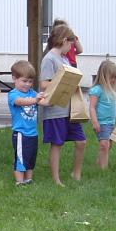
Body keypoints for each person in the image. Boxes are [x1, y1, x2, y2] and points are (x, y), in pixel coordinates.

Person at [40, 20, 85, 186]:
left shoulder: (65, 59)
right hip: (55, 109)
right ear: (64, 40)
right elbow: (44, 83)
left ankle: (76, 173)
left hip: (69, 109)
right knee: (57, 143)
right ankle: (56, 179)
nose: (71, 48)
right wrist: (64, 83)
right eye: (70, 43)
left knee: (81, 141)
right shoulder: (49, 59)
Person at [8, 60, 46, 185]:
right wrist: (35, 99)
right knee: (20, 158)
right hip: (21, 133)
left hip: (32, 133)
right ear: (14, 78)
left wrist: (53, 99)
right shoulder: (13, 94)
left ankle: (28, 179)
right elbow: (20, 102)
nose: (27, 84)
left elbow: (43, 102)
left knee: (30, 157)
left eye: (30, 82)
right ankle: (19, 181)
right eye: (24, 81)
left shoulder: (32, 93)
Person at [88, 60, 116, 169]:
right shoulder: (96, 90)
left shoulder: (111, 90)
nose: (114, 80)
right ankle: (103, 169)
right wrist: (95, 122)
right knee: (104, 144)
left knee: (108, 144)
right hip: (102, 122)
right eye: (111, 77)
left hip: (111, 122)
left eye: (115, 77)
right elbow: (92, 107)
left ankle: (99, 162)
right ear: (104, 76)